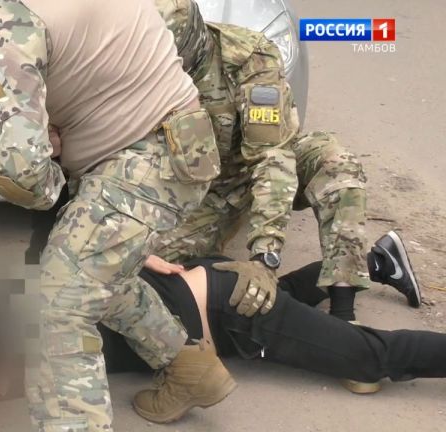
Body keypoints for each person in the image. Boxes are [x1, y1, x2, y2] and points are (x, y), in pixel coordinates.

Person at [0, 0, 248, 430]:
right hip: (179, 140)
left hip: (141, 161)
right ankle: (191, 370)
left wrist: (53, 173)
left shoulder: (0, 15)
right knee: (92, 275)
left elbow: (17, 172)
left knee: (55, 309)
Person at [150, 0, 421, 327]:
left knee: (336, 165)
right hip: (201, 190)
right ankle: (377, 262)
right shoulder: (132, 61)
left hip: (259, 167)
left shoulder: (247, 57)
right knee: (153, 278)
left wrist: (264, 258)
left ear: (194, 39)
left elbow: (272, 157)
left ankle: (344, 314)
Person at [99, 251, 446, 424]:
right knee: (284, 293)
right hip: (210, 289)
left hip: (232, 309)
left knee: (369, 358)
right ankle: (376, 262)